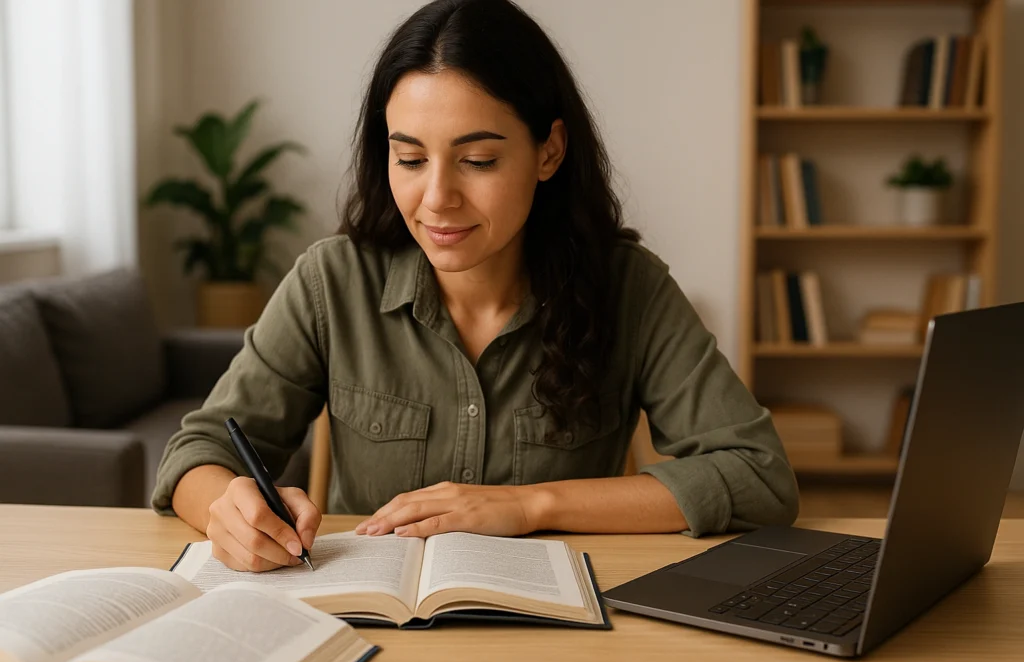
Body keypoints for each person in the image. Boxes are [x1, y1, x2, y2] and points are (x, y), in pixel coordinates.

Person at [152, 0, 799, 573]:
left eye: (478, 161)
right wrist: (228, 509)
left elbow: (759, 475)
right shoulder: (333, 281)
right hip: (372, 630)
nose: (436, 199)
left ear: (549, 151)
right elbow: (196, 453)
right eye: (409, 158)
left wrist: (527, 505)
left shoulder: (628, 287)